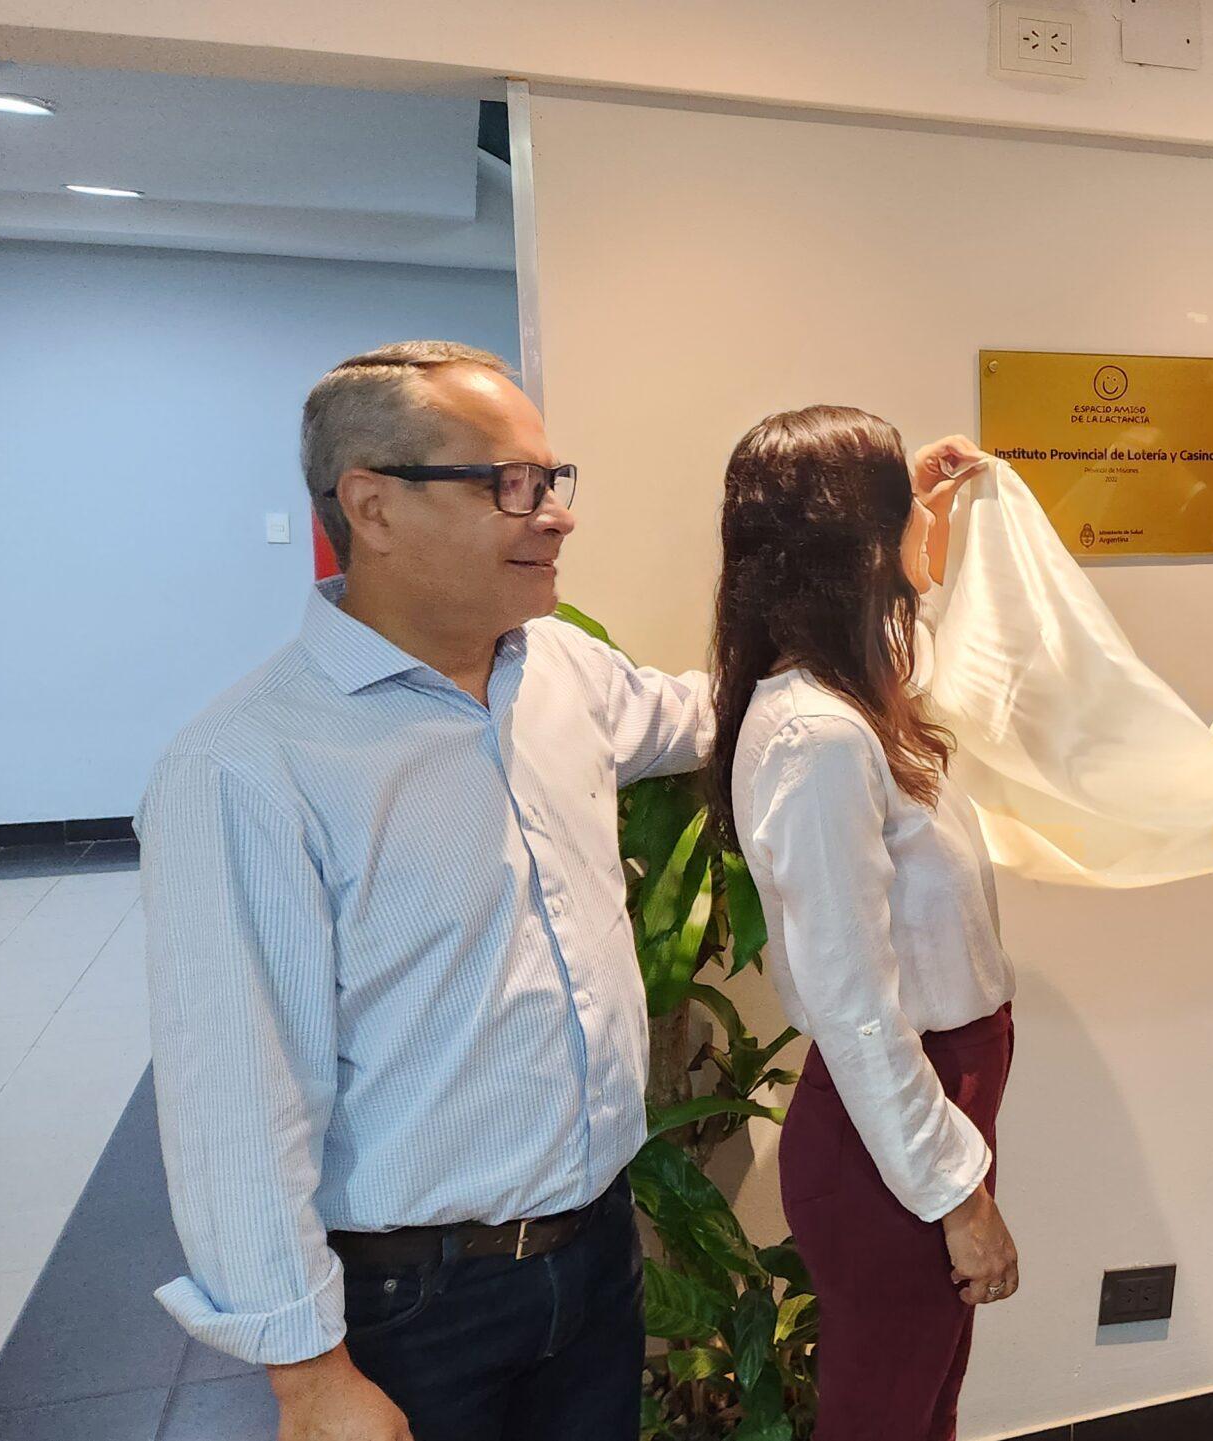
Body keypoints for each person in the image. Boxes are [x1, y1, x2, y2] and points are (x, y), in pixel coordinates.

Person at [140, 341, 713, 1440]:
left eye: (552, 479)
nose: (553, 514)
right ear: (373, 505)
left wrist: (888, 587)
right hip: (415, 1305)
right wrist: (307, 1375)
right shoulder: (247, 766)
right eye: (509, 482)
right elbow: (236, 1104)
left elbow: (697, 713)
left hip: (594, 1251)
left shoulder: (557, 673)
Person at [711, 407, 1019, 1441]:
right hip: (894, 1139)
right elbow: (852, 1007)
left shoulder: (855, 692)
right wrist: (956, 1197)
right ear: (858, 549)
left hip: (928, 1118)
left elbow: (907, 629)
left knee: (923, 1409)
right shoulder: (817, 738)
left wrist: (917, 513)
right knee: (885, 1419)